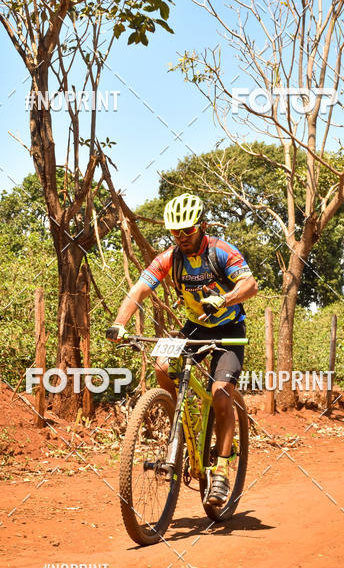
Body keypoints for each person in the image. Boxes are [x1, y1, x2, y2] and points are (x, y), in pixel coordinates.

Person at [107, 193, 258, 505]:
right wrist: (120, 324)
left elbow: (250, 285)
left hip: (229, 329)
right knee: (162, 365)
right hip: (195, 329)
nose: (181, 238)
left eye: (186, 231)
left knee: (220, 394)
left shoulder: (221, 252)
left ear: (201, 226)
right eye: (174, 232)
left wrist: (225, 299)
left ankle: (221, 470)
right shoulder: (169, 259)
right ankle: (182, 418)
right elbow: (139, 289)